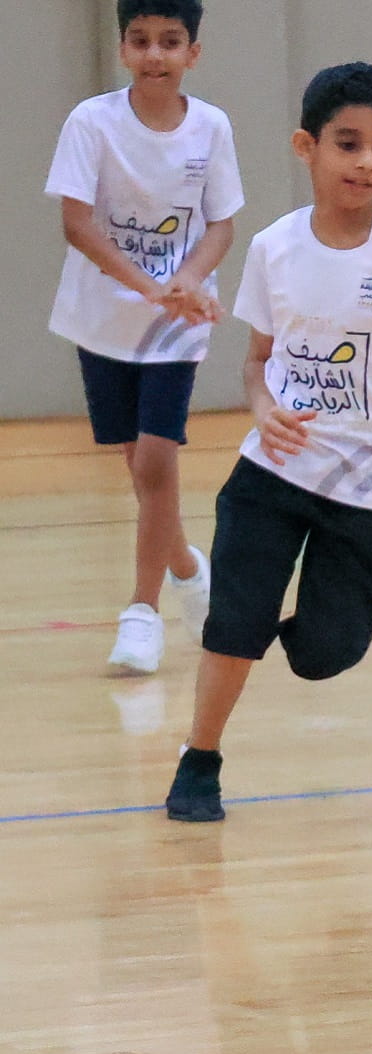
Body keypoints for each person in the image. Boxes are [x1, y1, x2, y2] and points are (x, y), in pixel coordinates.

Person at [163, 63, 372, 823]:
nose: (364, 162)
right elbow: (257, 359)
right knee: (235, 623)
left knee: (325, 653)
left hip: (370, 491)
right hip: (273, 473)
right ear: (307, 146)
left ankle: (276, 626)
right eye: (347, 144)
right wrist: (262, 406)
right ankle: (199, 763)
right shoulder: (273, 248)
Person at [45, 0, 241, 674]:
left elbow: (221, 225)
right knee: (137, 464)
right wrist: (146, 283)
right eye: (141, 40)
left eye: (170, 41)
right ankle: (187, 564)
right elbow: (77, 223)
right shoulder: (91, 123)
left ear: (194, 52)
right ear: (123, 48)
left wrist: (185, 281)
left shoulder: (211, 128)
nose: (155, 54)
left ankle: (141, 614)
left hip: (175, 325)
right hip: (102, 318)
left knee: (157, 463)